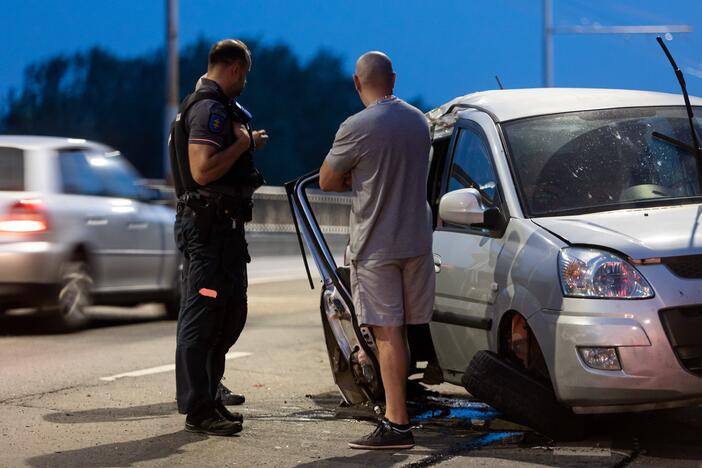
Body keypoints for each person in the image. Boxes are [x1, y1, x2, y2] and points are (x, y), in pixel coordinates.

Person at [319, 51, 435, 450]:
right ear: (394, 79)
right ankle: (401, 410)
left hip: (376, 244)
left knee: (386, 336)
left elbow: (328, 180)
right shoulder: (420, 121)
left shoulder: (356, 127)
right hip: (417, 241)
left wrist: (357, 174)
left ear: (357, 83)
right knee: (402, 334)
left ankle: (397, 424)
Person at [169, 39, 268, 436]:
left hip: (222, 229)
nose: (244, 82)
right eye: (244, 74)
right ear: (233, 69)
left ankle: (209, 399)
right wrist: (243, 143)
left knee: (228, 315)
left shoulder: (209, 106)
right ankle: (198, 408)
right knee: (204, 317)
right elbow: (203, 171)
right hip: (208, 228)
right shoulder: (209, 109)